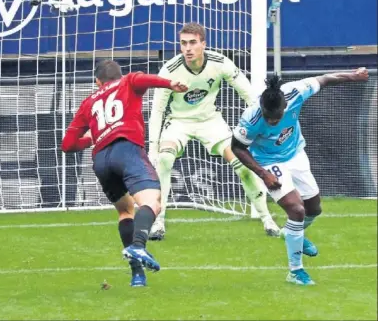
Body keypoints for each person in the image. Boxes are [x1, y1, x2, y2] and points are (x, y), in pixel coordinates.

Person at [231, 67, 369, 285]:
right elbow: (237, 148)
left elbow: (324, 78)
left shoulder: (295, 92)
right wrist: (263, 173)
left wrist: (354, 76)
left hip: (296, 153)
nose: (273, 122)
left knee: (314, 209)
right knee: (296, 209)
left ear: (285, 106)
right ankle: (295, 271)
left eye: (276, 118)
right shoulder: (252, 118)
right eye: (269, 118)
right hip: (269, 162)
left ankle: (291, 233)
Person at [61, 60, 188, 287]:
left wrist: (93, 138)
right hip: (126, 150)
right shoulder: (128, 81)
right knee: (152, 202)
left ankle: (137, 275)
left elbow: (67, 144)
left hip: (101, 161)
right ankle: (138, 245)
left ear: (97, 81)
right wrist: (170, 83)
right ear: (120, 75)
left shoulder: (88, 102)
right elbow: (143, 79)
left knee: (125, 210)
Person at [148, 22, 280, 240]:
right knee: (163, 159)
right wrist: (152, 147)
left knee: (242, 164)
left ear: (203, 43)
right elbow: (157, 110)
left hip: (211, 121)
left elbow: (248, 96)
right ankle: (158, 222)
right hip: (179, 122)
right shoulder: (169, 70)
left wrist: (260, 128)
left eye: (192, 43)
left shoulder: (220, 63)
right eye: (183, 43)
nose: (187, 48)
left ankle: (267, 219)